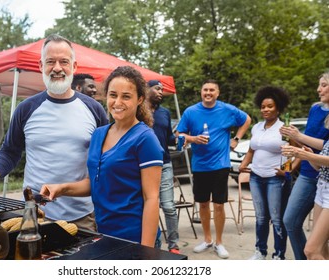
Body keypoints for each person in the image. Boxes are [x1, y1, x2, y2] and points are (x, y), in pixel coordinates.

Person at [0, 34, 109, 231]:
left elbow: (106, 161)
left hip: (82, 216)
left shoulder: (94, 109)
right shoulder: (26, 109)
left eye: (63, 62)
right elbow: (10, 150)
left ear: (74, 67)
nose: (57, 68)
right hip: (35, 214)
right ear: (41, 66)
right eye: (50, 61)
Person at [40, 66, 164, 247]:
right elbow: (95, 183)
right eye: (113, 95)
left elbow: (151, 198)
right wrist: (61, 188)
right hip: (104, 234)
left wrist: (146, 251)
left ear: (140, 99)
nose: (118, 102)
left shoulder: (145, 139)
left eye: (126, 96)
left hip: (135, 238)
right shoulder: (98, 134)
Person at [176, 79, 251, 259]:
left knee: (218, 204)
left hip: (220, 165)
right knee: (202, 203)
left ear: (217, 93)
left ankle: (219, 242)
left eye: (212, 90)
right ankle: (207, 239)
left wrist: (237, 139)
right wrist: (193, 139)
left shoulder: (227, 110)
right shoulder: (191, 112)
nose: (208, 93)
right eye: (205, 90)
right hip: (200, 165)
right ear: (201, 92)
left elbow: (247, 119)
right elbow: (178, 134)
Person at [279, 72, 329, 259]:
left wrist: (300, 141)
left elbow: (325, 147)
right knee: (290, 221)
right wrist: (295, 141)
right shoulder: (315, 109)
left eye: (324, 85)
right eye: (319, 85)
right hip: (312, 171)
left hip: (322, 172)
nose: (318, 89)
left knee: (315, 246)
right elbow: (317, 146)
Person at [238, 86, 291, 260]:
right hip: (256, 177)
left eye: (270, 106)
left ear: (278, 107)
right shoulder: (257, 127)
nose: (265, 109)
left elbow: (296, 152)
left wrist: (287, 172)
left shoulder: (284, 129)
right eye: (263, 106)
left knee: (276, 218)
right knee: (261, 217)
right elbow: (252, 150)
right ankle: (260, 251)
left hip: (275, 178)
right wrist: (243, 165)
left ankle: (279, 255)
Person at [146, 79, 180, 253]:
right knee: (149, 206)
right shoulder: (138, 111)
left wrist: (181, 138)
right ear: (146, 89)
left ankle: (173, 244)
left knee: (168, 206)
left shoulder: (165, 113)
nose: (161, 92)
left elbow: (170, 140)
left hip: (164, 164)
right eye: (157, 88)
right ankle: (155, 244)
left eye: (162, 89)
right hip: (142, 166)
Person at [281, 143, 329, 260]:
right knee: (321, 249)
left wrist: (304, 155)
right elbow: (319, 167)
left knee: (311, 250)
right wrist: (309, 155)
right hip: (321, 186)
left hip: (323, 188)